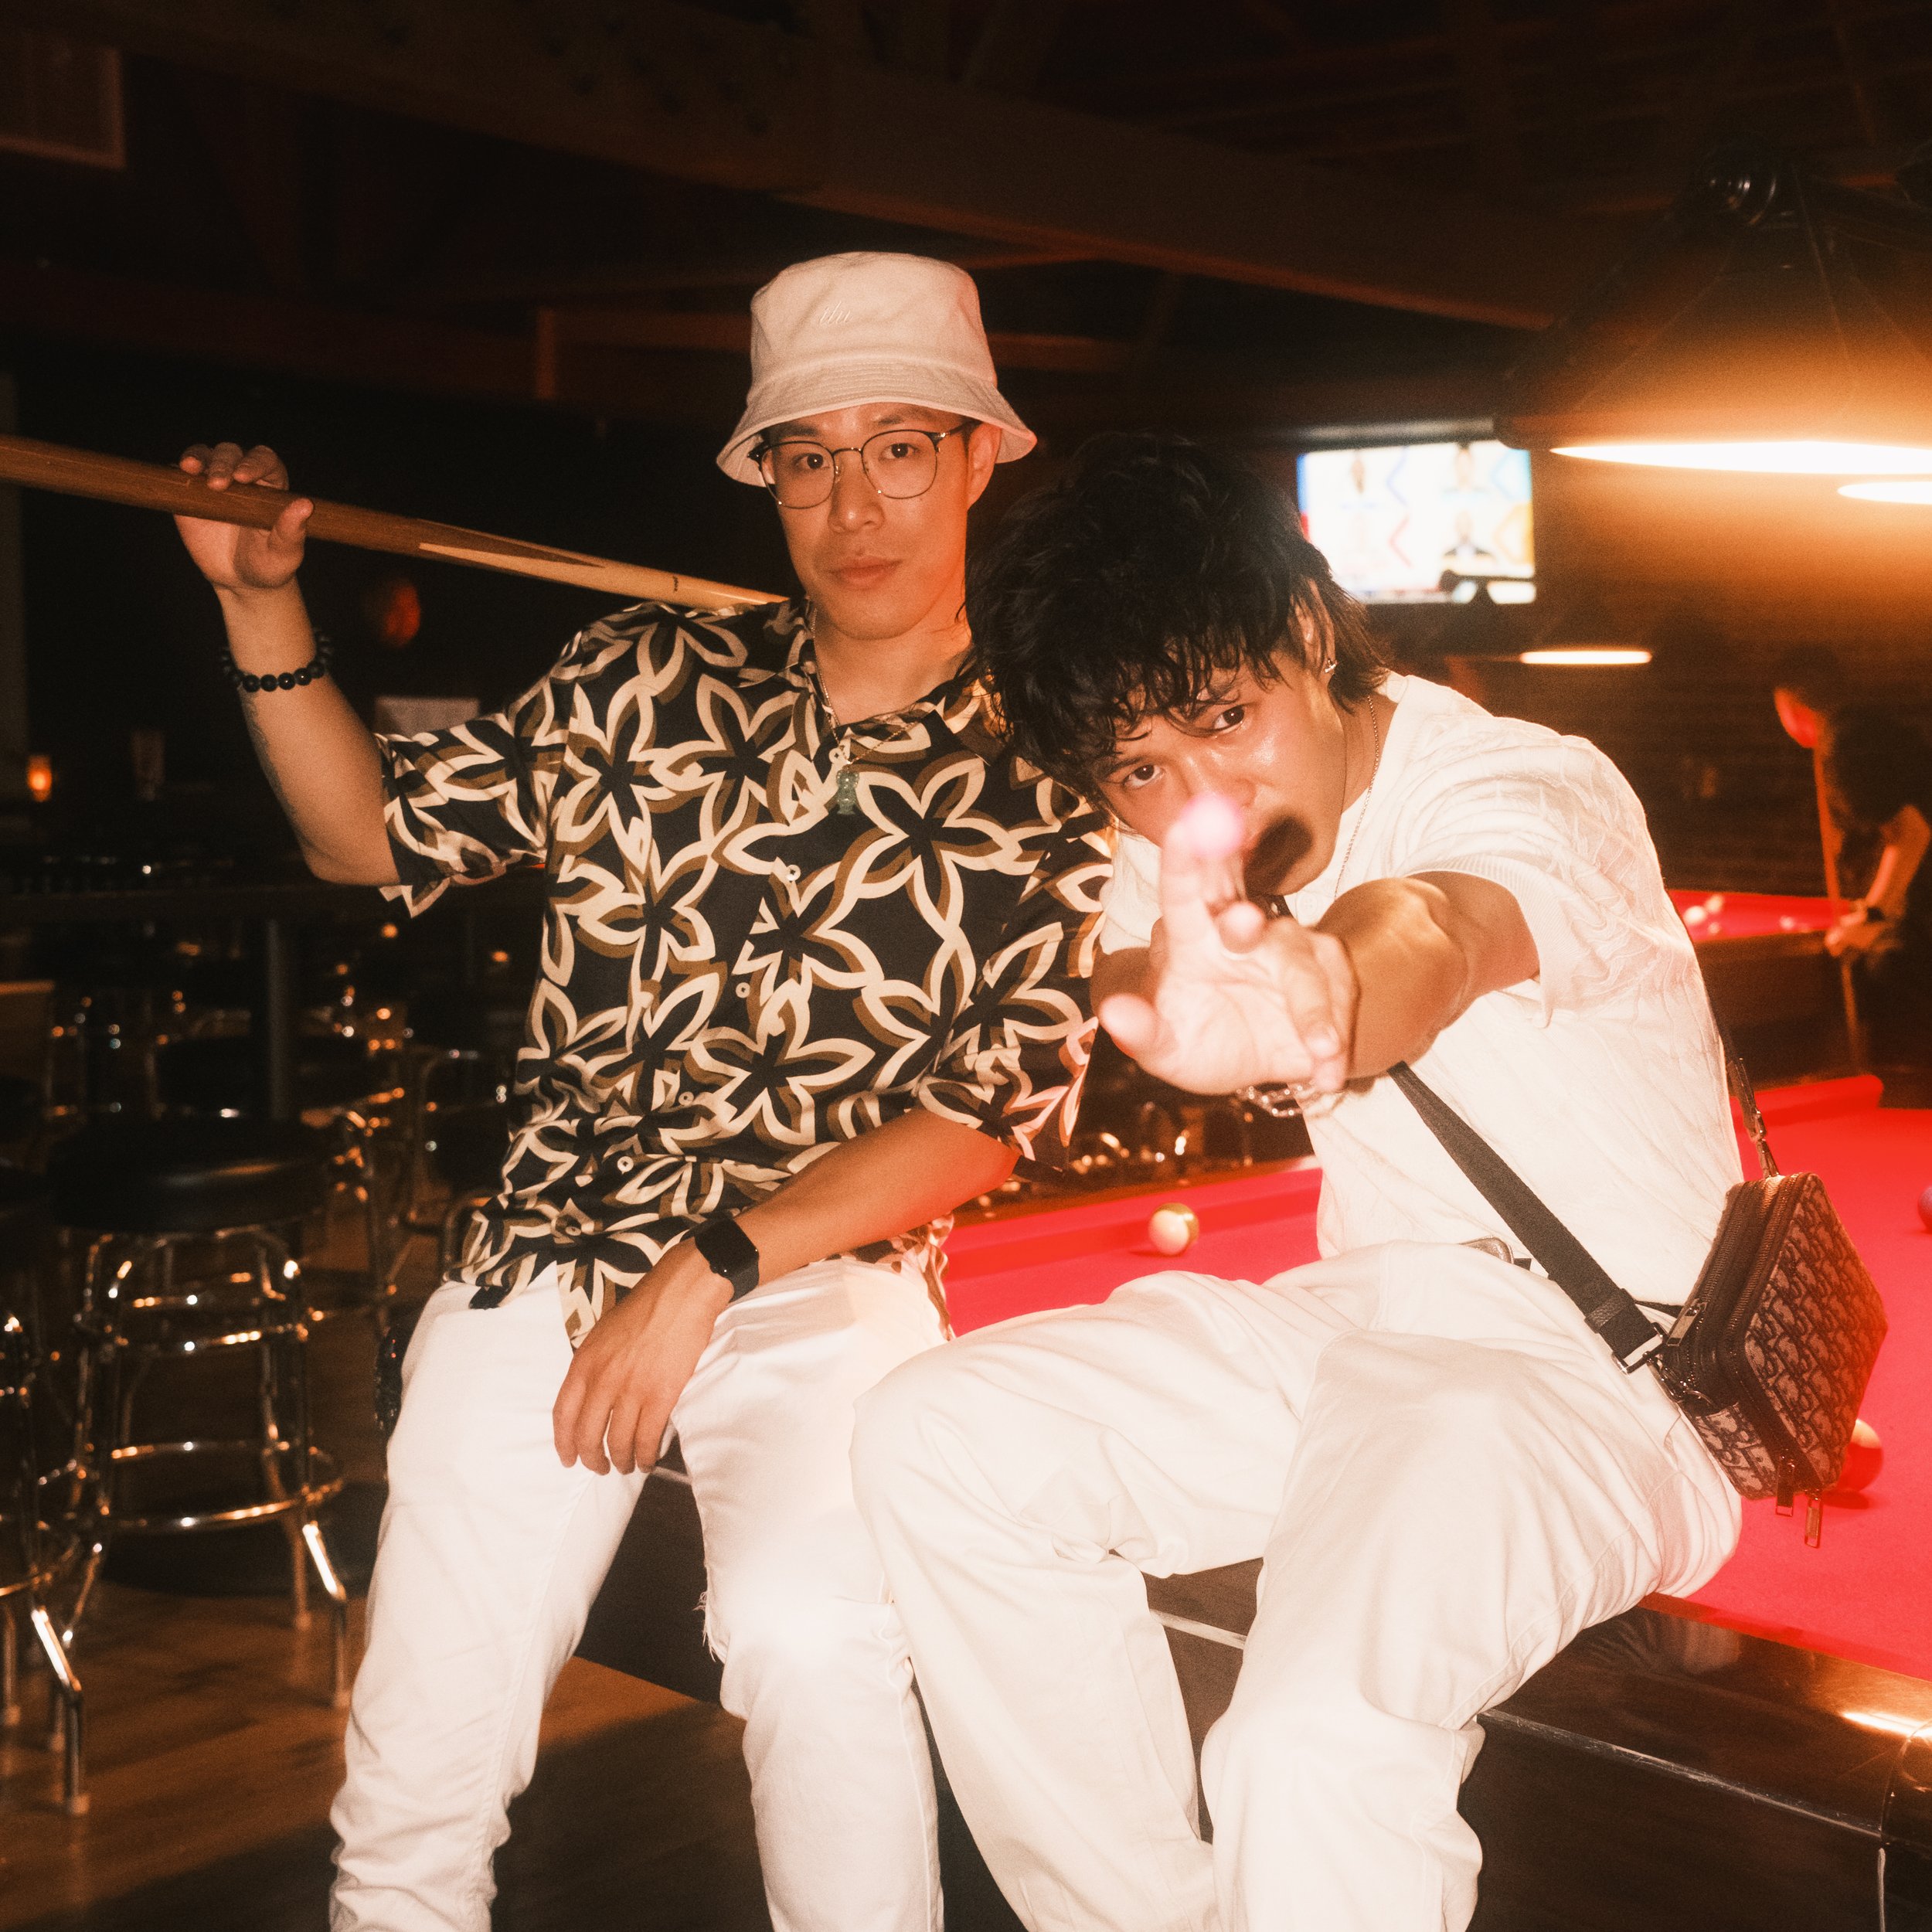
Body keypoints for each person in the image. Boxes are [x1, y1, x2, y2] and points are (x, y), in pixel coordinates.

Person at [172, 252, 1107, 1932]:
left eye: (898, 444)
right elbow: (366, 835)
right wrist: (259, 604)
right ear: (766, 479)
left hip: (830, 1270)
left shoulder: (1049, 751)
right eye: (807, 454)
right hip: (553, 1242)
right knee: (419, 1759)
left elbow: (997, 1101)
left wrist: (714, 1265)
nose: (853, 499)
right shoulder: (644, 677)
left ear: (979, 456)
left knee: (820, 1639)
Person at [851, 434, 1741, 1932]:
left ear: (1309, 638)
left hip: (1596, 1375)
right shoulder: (1179, 836)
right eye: (1140, 766)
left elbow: (1431, 931)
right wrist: (1151, 979)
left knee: (1306, 1741)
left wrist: (1318, 990)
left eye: (1226, 716)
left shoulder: (1524, 786)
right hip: (1365, 1319)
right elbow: (1145, 935)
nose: (1206, 793)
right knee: (935, 1435)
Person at [1773, 647, 1932, 1066]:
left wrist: (1874, 916)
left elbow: (1912, 832)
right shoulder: (1878, 730)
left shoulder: (1844, 748)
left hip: (1921, 923)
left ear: (1791, 706)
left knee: (1895, 1003)